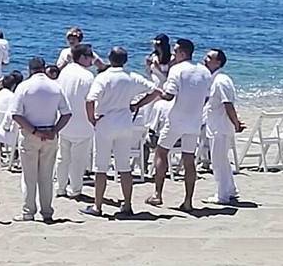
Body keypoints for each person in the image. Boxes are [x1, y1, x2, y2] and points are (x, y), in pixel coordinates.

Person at [80, 47, 162, 217]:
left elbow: (90, 100)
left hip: (105, 122)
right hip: (124, 122)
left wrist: (91, 119)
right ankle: (127, 204)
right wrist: (137, 105)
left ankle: (98, 206)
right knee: (124, 167)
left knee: (100, 167)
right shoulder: (131, 77)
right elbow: (156, 91)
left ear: (110, 59)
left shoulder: (103, 78)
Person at [146, 39, 212, 212]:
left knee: (161, 152)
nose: (173, 55)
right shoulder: (204, 71)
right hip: (194, 120)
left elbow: (169, 95)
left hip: (176, 119)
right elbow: (206, 97)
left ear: (183, 53)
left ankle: (157, 194)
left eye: (176, 52)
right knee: (189, 159)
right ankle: (188, 200)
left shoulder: (177, 69)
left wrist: (156, 93)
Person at [9, 57, 72, 222]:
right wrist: (55, 130)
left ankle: (28, 211)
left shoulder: (24, 87)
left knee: (29, 176)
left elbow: (16, 114)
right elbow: (67, 113)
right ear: (44, 68)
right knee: (46, 176)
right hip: (50, 133)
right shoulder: (55, 86)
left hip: (31, 134)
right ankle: (47, 211)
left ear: (29, 69)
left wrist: (34, 131)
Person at [202, 49, 246, 204]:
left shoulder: (220, 80)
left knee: (218, 162)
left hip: (220, 127)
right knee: (222, 160)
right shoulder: (217, 79)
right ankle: (231, 190)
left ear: (218, 62)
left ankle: (222, 195)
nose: (205, 59)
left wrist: (236, 123)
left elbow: (228, 104)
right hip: (218, 125)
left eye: (209, 57)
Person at [54, 44, 95, 199]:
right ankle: (75, 189)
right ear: (83, 57)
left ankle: (60, 187)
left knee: (62, 157)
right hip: (82, 122)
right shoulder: (87, 76)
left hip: (64, 120)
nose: (92, 59)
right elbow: (91, 100)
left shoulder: (64, 72)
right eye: (90, 56)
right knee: (78, 160)